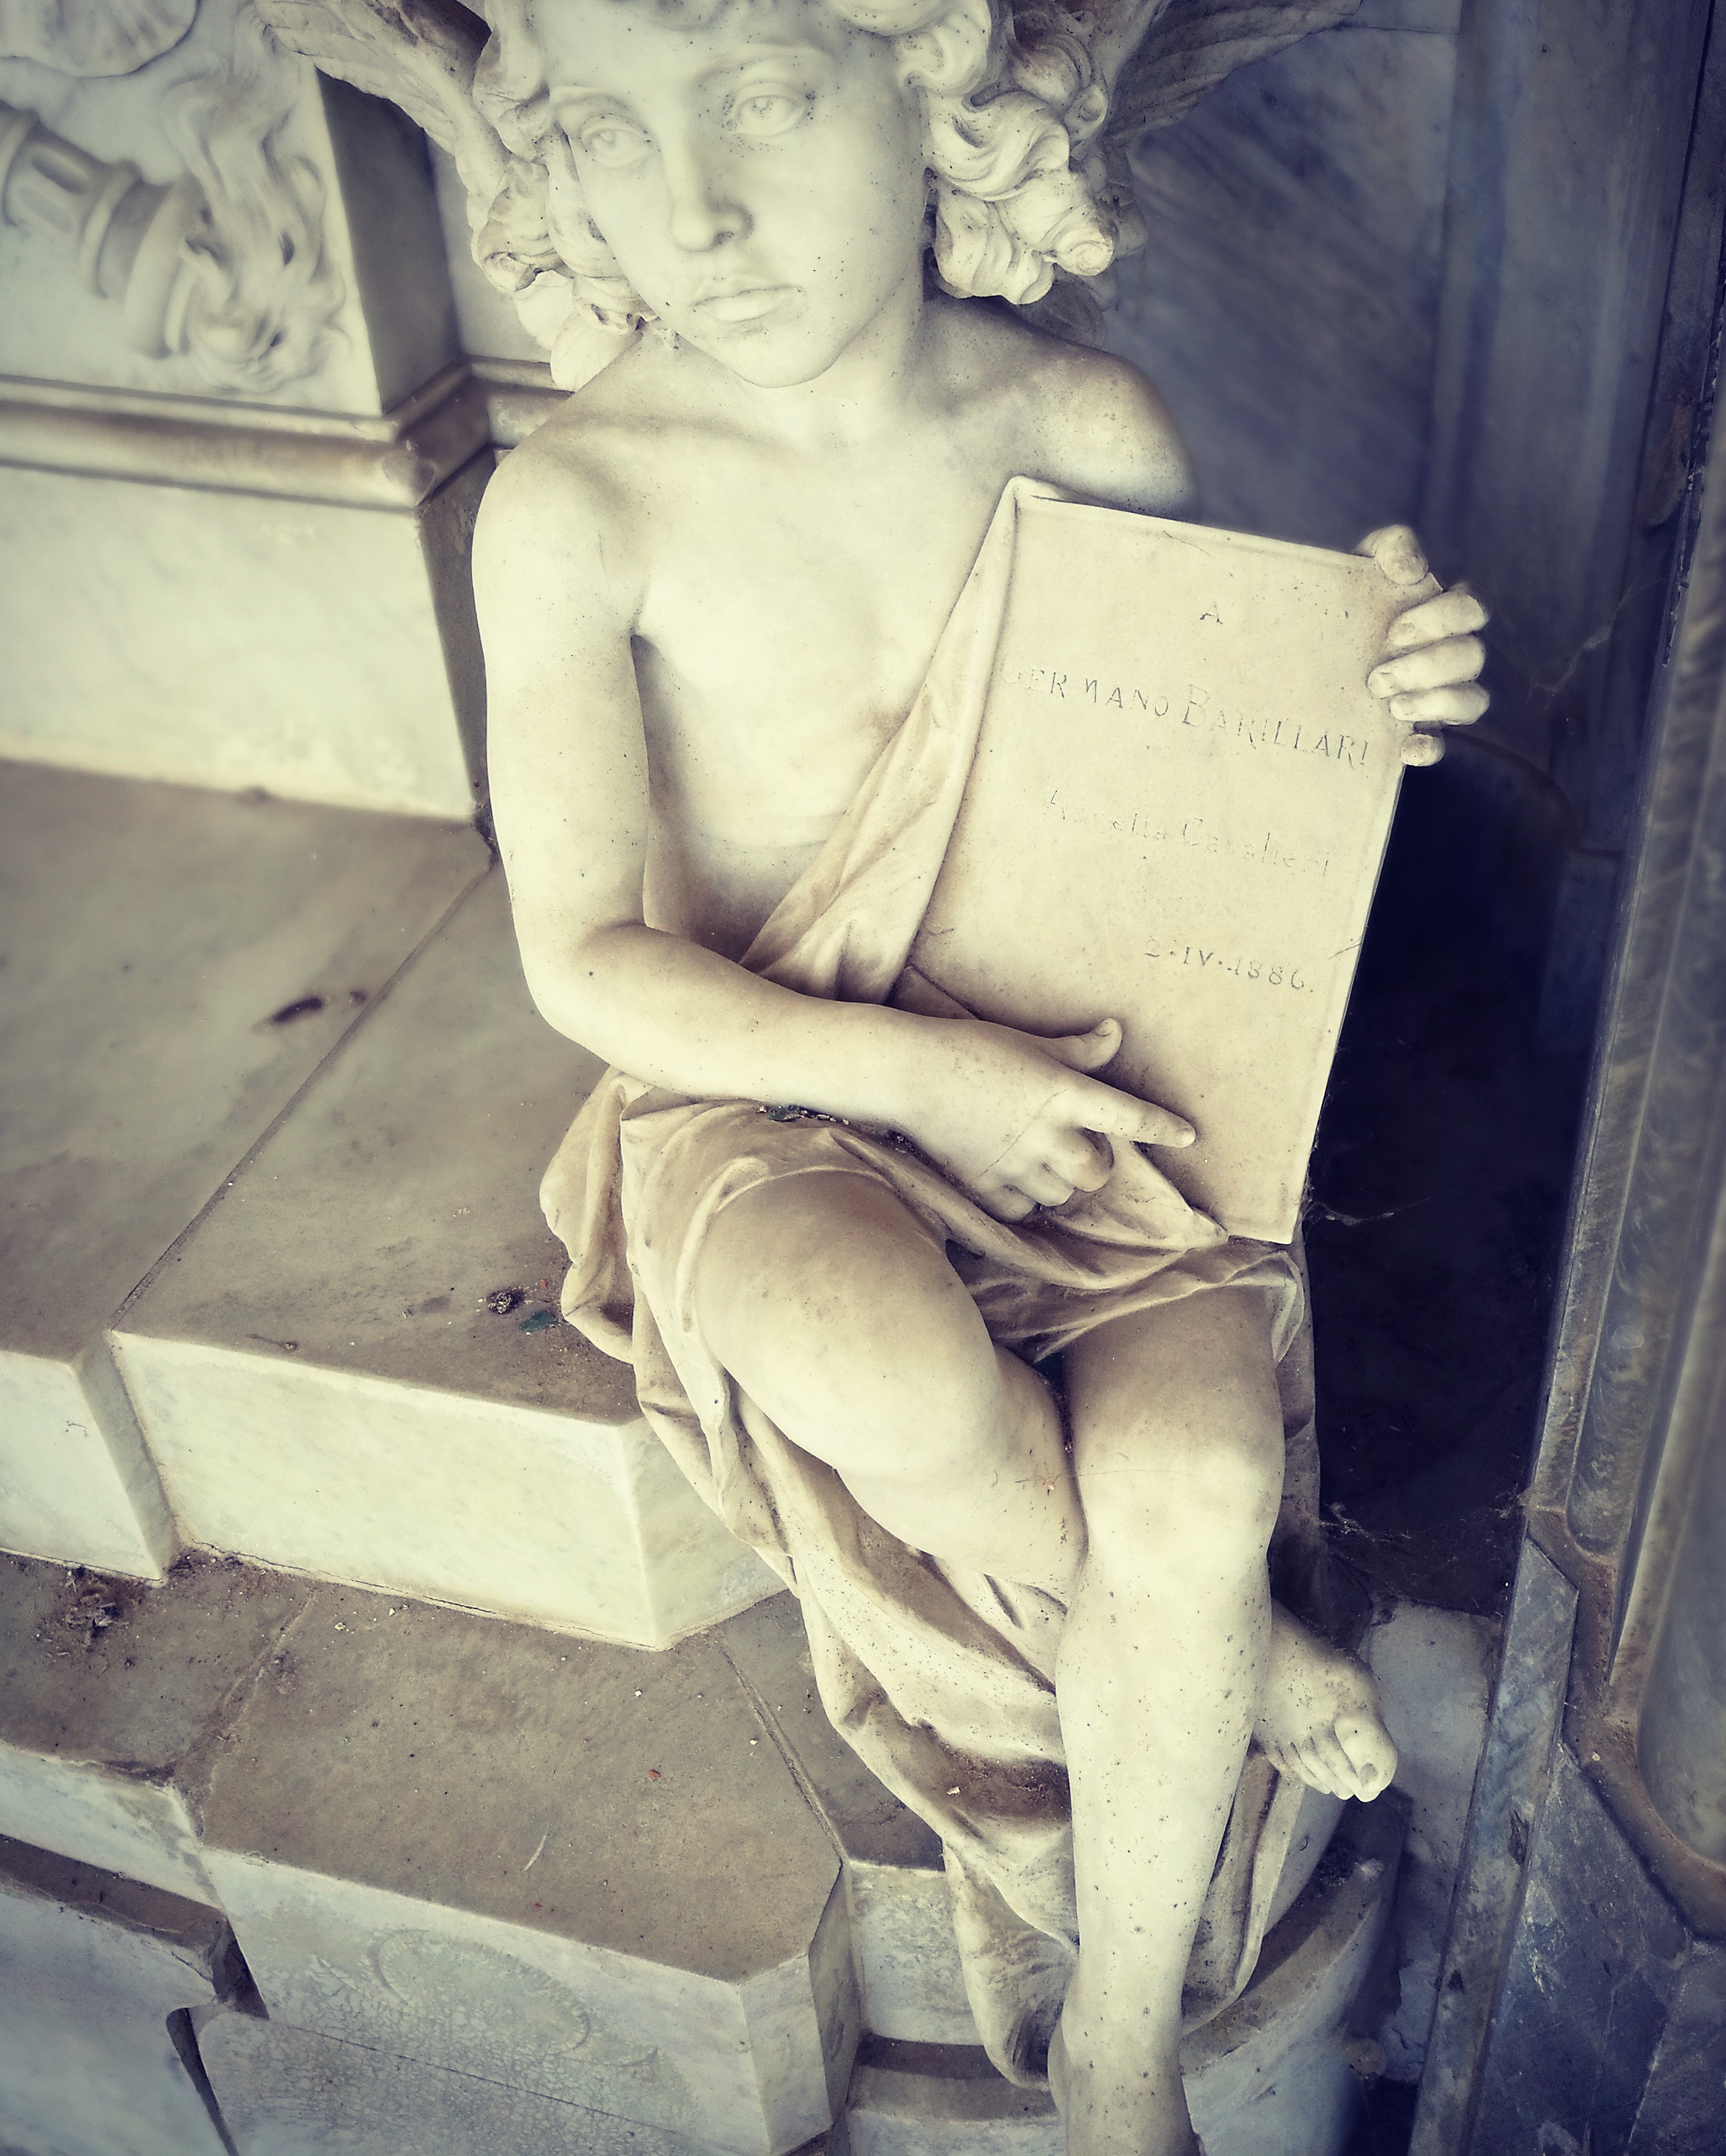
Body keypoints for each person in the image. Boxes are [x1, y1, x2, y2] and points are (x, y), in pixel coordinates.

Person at [468, 4, 1491, 2149]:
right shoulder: (577, 504)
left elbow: (1202, 802)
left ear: (931, 99)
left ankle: (1118, 2051)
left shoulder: (1080, 422)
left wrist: (1365, 685)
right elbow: (585, 959)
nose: (695, 214)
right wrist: (920, 1083)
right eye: (613, 137)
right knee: (880, 1365)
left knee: (1195, 1477)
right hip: (776, 1087)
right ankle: (1225, 1638)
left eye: (759, 104)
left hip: (1100, 1084)